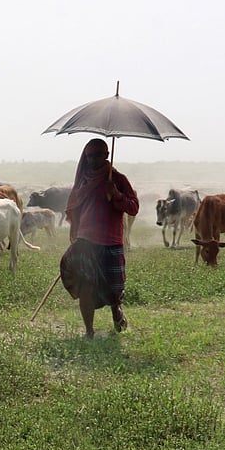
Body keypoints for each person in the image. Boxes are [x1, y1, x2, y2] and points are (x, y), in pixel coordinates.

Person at [60, 138, 139, 337]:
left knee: (115, 287)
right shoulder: (83, 181)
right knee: (86, 284)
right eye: (89, 156)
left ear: (107, 155)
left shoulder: (118, 180)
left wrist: (116, 194)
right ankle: (89, 331)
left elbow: (133, 208)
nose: (93, 160)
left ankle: (116, 310)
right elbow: (73, 206)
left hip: (111, 241)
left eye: (97, 155)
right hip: (85, 241)